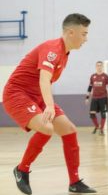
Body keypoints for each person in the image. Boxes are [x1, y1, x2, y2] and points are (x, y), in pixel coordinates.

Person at [2, 13, 97, 194]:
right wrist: (50, 106)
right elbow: (44, 80)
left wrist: (47, 105)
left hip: (35, 95)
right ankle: (21, 170)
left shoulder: (65, 52)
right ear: (71, 32)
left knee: (69, 130)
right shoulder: (53, 49)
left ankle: (75, 182)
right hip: (17, 94)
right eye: (84, 34)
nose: (86, 38)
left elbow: (42, 83)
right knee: (47, 128)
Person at [85, 61, 108, 135]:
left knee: (103, 114)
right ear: (96, 66)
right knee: (92, 114)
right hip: (94, 97)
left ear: (102, 66)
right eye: (98, 65)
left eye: (100, 65)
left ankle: (101, 129)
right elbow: (90, 87)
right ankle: (97, 126)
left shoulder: (106, 76)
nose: (99, 67)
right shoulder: (93, 76)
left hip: (103, 98)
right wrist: (87, 97)